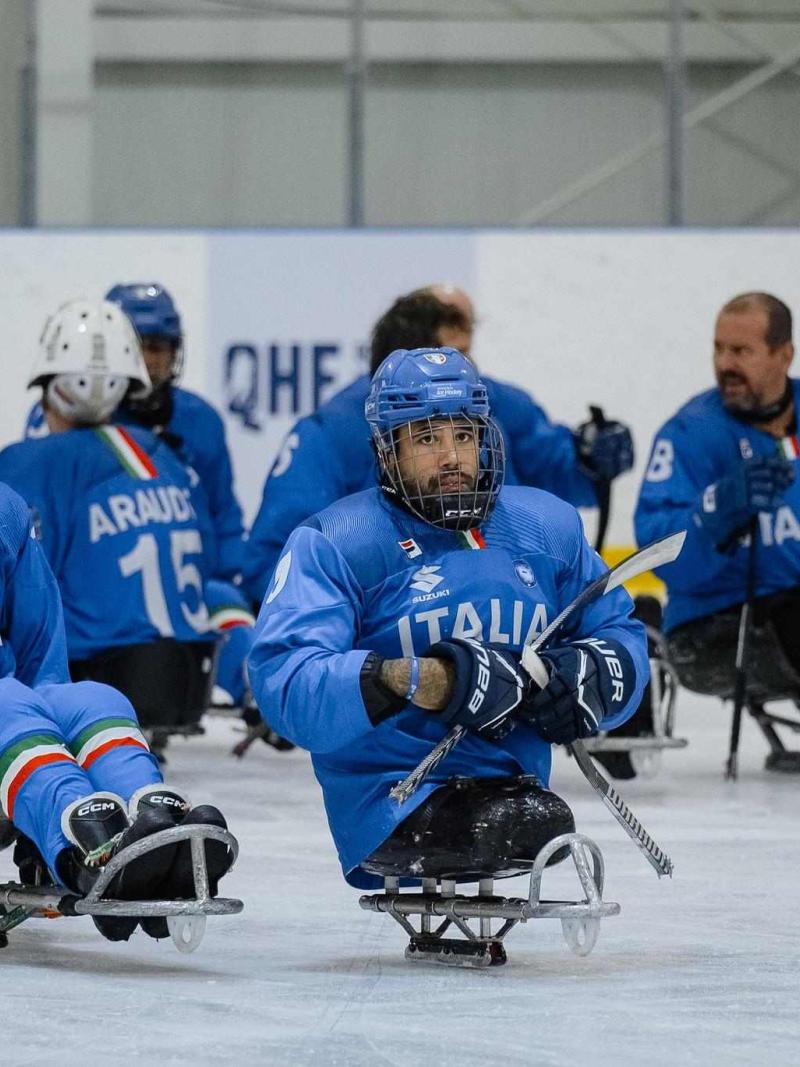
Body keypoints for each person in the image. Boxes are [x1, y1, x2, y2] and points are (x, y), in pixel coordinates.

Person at [247, 347, 648, 889]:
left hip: (519, 788)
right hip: (394, 803)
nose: (452, 457)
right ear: (387, 452)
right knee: (514, 828)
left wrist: (593, 677)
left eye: (464, 435)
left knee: (527, 823)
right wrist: (423, 680)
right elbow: (286, 682)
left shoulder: (546, 526)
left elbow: (620, 632)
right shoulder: (337, 542)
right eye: (427, 439)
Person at [243, 286, 635, 606]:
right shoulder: (329, 435)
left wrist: (587, 459)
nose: (468, 368)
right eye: (456, 355)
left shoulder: (489, 401)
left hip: (499, 592)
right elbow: (276, 564)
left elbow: (550, 467)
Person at [0, 479, 233, 943]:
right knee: (6, 705)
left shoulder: (5, 509)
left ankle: (151, 834)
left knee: (92, 700)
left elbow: (39, 657)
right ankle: (83, 851)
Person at [24, 283, 254, 709]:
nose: (153, 360)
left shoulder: (196, 421)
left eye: (161, 347)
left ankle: (259, 685)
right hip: (135, 616)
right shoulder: (155, 451)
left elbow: (223, 518)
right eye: (141, 347)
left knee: (222, 596)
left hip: (119, 633)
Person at [635, 291, 800, 767]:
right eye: (718, 349)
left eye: (741, 351)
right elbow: (657, 549)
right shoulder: (689, 434)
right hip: (712, 632)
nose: (725, 363)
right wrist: (718, 509)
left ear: (783, 354)